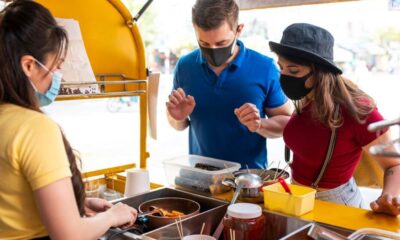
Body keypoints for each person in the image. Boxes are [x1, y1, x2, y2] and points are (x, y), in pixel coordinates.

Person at [0, 1, 138, 239]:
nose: (58, 79)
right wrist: (112, 216)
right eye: (56, 67)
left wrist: (76, 203)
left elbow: (13, 200)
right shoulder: (34, 128)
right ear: (29, 65)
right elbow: (69, 235)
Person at [268, 23, 400, 216]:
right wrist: (259, 125)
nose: (285, 77)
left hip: (335, 204)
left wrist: (387, 198)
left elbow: (394, 165)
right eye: (281, 68)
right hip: (297, 197)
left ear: (319, 71)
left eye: (294, 71)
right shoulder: (306, 97)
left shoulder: (358, 111)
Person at [166, 0, 291, 169]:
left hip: (247, 183)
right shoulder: (185, 66)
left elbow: (286, 123)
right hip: (199, 176)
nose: (213, 49)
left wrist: (259, 124)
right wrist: (176, 117)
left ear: (239, 30)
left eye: (221, 43)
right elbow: (178, 125)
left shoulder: (265, 68)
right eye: (204, 44)